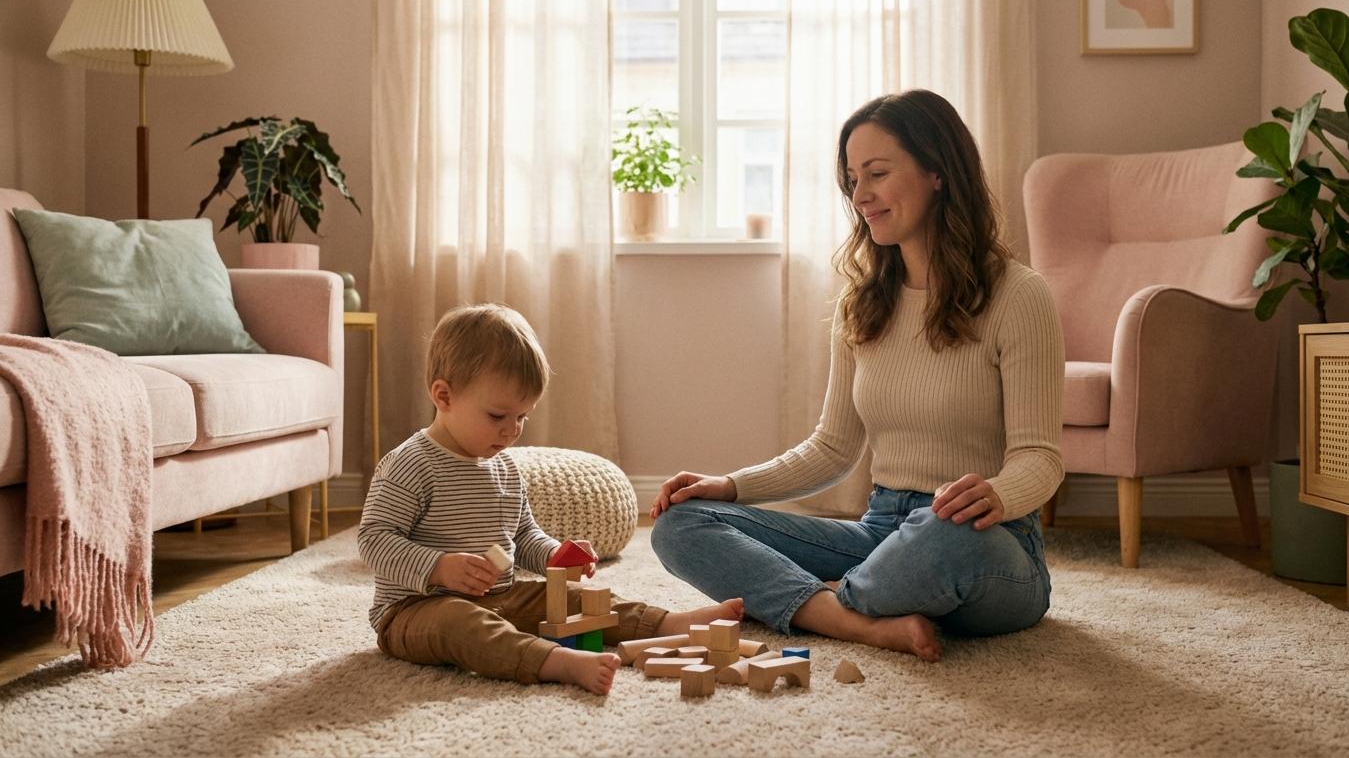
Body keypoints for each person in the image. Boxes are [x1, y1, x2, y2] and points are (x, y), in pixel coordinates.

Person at [649, 89, 1063, 662]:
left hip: (983, 543)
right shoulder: (862, 302)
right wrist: (731, 486)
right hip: (879, 533)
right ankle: (857, 616)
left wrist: (996, 493)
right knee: (681, 524)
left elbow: (1041, 457)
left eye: (876, 173)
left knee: (942, 537)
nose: (860, 196)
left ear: (937, 171)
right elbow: (832, 448)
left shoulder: (1019, 295)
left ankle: (826, 604)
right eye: (851, 179)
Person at [359, 304, 743, 695]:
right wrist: (438, 566)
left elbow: (523, 536)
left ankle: (665, 624)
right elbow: (373, 539)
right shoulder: (410, 464)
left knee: (576, 599)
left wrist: (554, 556)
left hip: (502, 597)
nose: (512, 431)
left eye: (522, 417)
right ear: (444, 396)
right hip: (416, 610)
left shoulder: (505, 467)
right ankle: (553, 662)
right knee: (461, 624)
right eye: (497, 416)